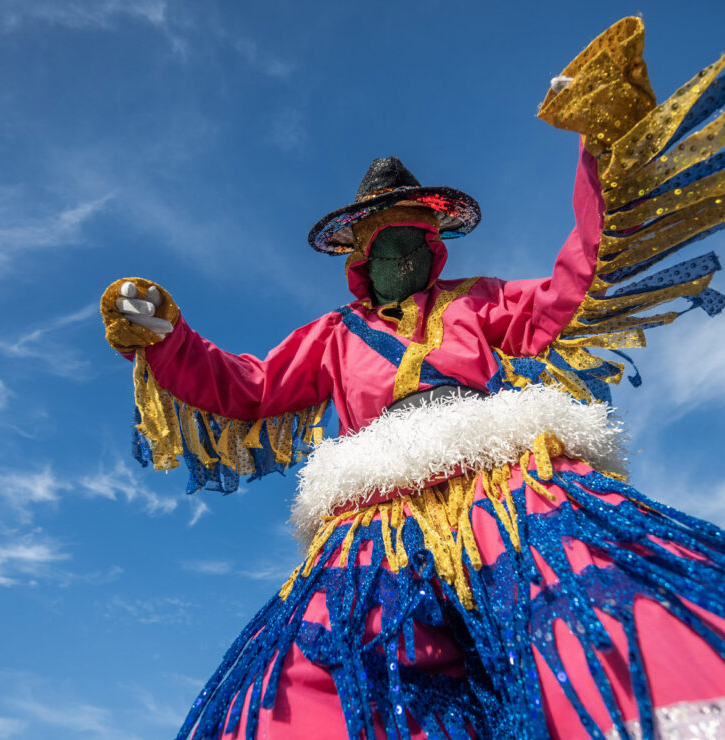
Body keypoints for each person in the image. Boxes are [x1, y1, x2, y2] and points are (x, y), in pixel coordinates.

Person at [101, 17, 725, 740]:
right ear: (361, 257)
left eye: (415, 238)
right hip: (376, 523)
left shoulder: (478, 300)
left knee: (586, 590)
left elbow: (572, 289)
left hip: (504, 480)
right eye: (388, 241)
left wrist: (599, 146)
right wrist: (168, 338)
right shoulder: (333, 335)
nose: (405, 252)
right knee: (339, 657)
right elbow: (248, 388)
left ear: (433, 246)